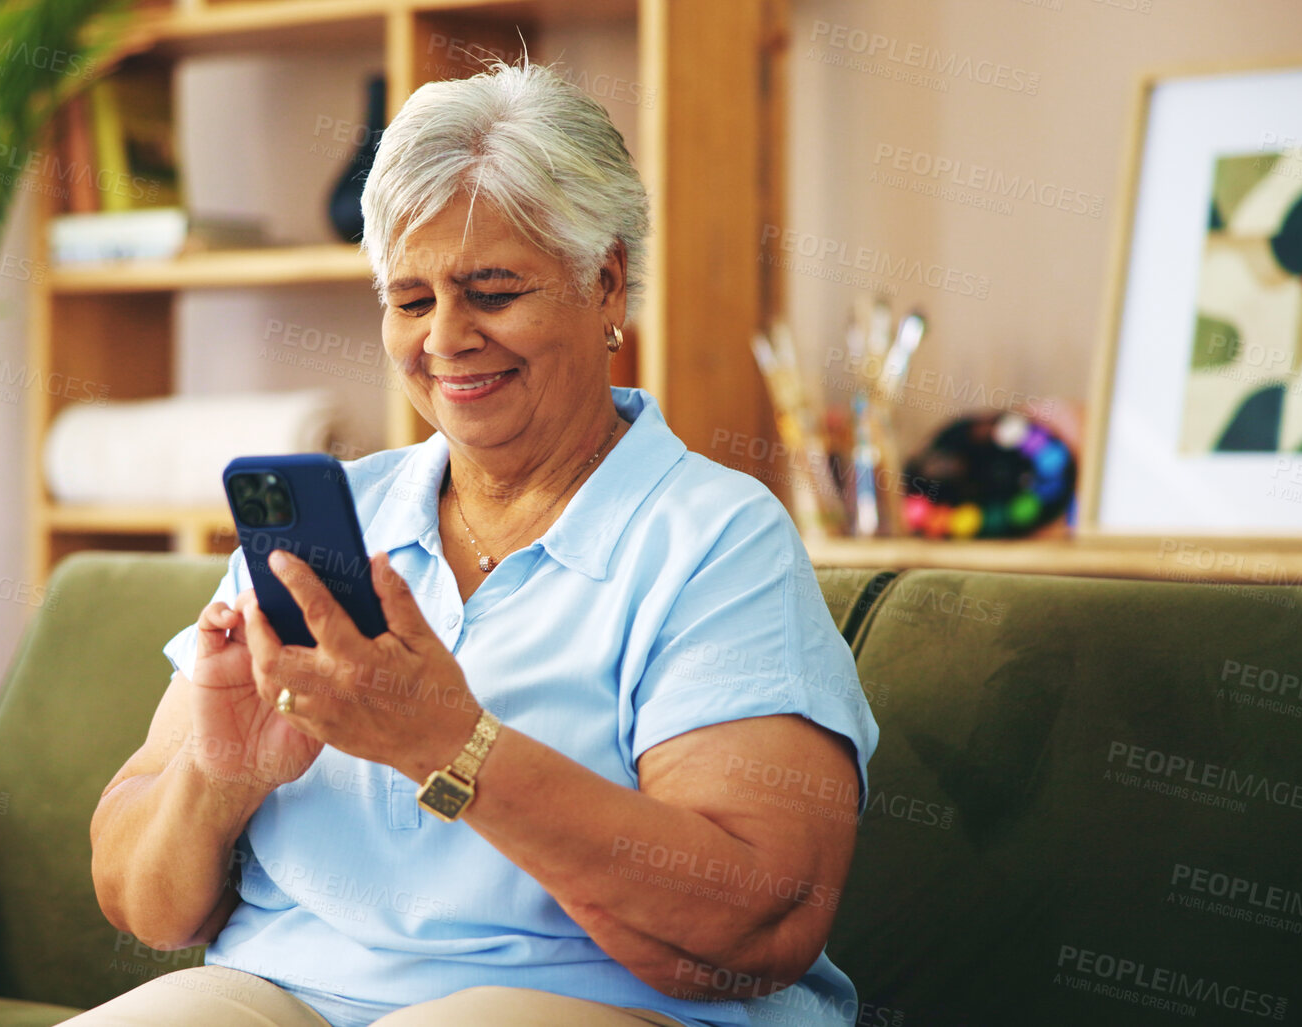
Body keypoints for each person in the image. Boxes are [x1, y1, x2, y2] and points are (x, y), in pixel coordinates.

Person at [74, 60, 879, 1027]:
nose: (446, 338)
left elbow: (756, 929)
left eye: (491, 290)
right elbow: (141, 901)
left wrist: (448, 744)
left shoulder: (712, 539)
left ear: (606, 283)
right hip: (277, 992)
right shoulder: (332, 525)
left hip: (582, 1002)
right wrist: (223, 775)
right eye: (410, 301)